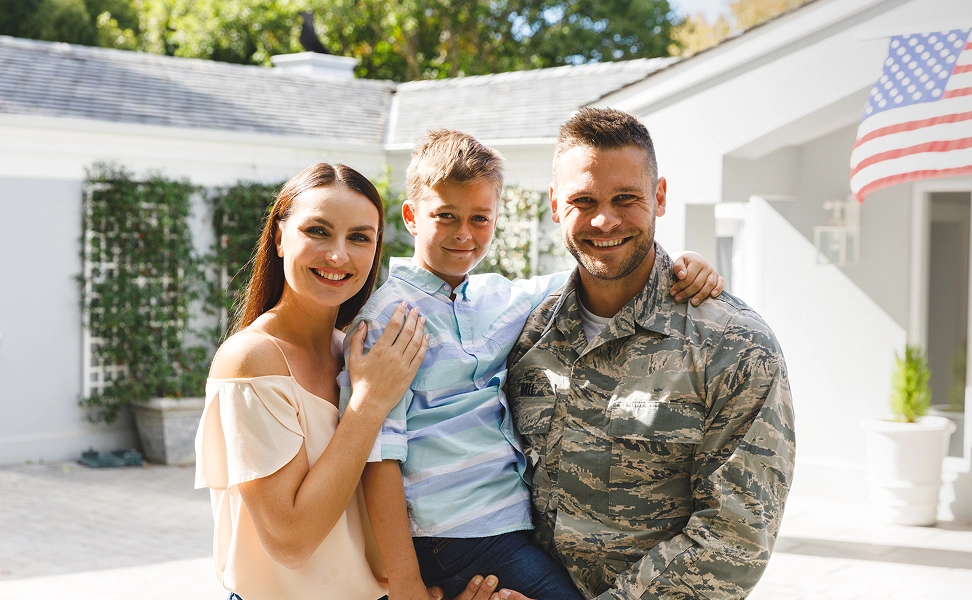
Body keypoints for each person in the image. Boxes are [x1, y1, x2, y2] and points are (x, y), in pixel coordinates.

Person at [340, 130, 725, 600]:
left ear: (496, 218)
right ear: (411, 217)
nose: (464, 233)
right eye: (446, 217)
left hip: (506, 521)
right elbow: (378, 455)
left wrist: (686, 264)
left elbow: (601, 270)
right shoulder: (390, 318)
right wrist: (405, 586)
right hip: (453, 533)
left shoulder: (496, 298)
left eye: (479, 218)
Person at [505, 108, 796, 600]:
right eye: (583, 200)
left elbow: (736, 535)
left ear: (659, 197)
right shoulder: (526, 332)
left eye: (626, 198)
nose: (604, 220)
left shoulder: (734, 346)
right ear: (555, 205)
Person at [193, 162, 505, 600]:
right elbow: (292, 542)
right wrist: (369, 404)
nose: (339, 255)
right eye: (318, 231)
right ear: (280, 237)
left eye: (359, 237)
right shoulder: (253, 359)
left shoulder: (360, 350)